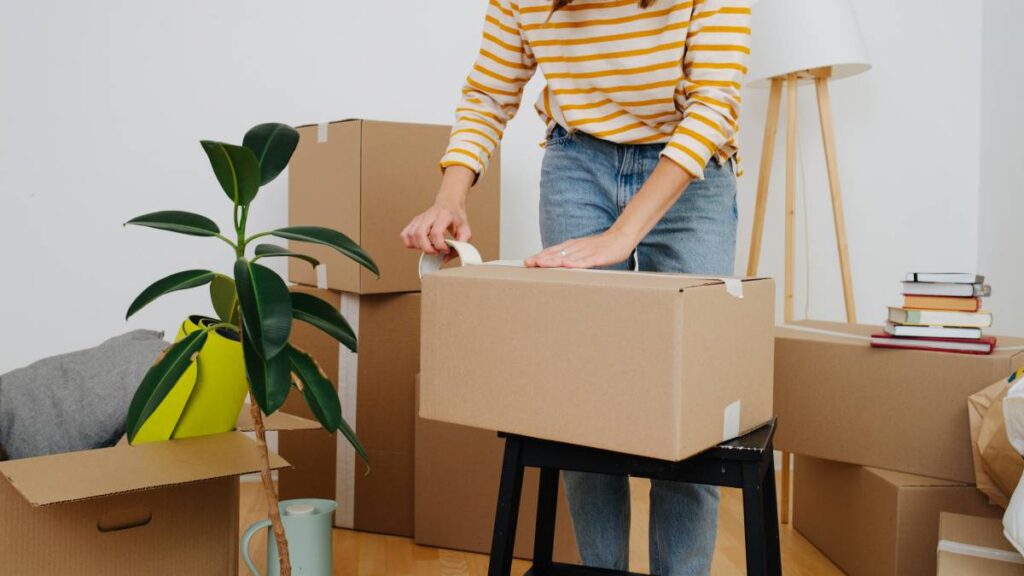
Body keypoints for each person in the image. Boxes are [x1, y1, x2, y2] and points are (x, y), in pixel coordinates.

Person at [402, 1, 750, 573]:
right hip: (576, 162)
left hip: (691, 170)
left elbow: (714, 104)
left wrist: (622, 233)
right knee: (584, 396)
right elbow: (489, 94)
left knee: (694, 403)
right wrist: (451, 196)